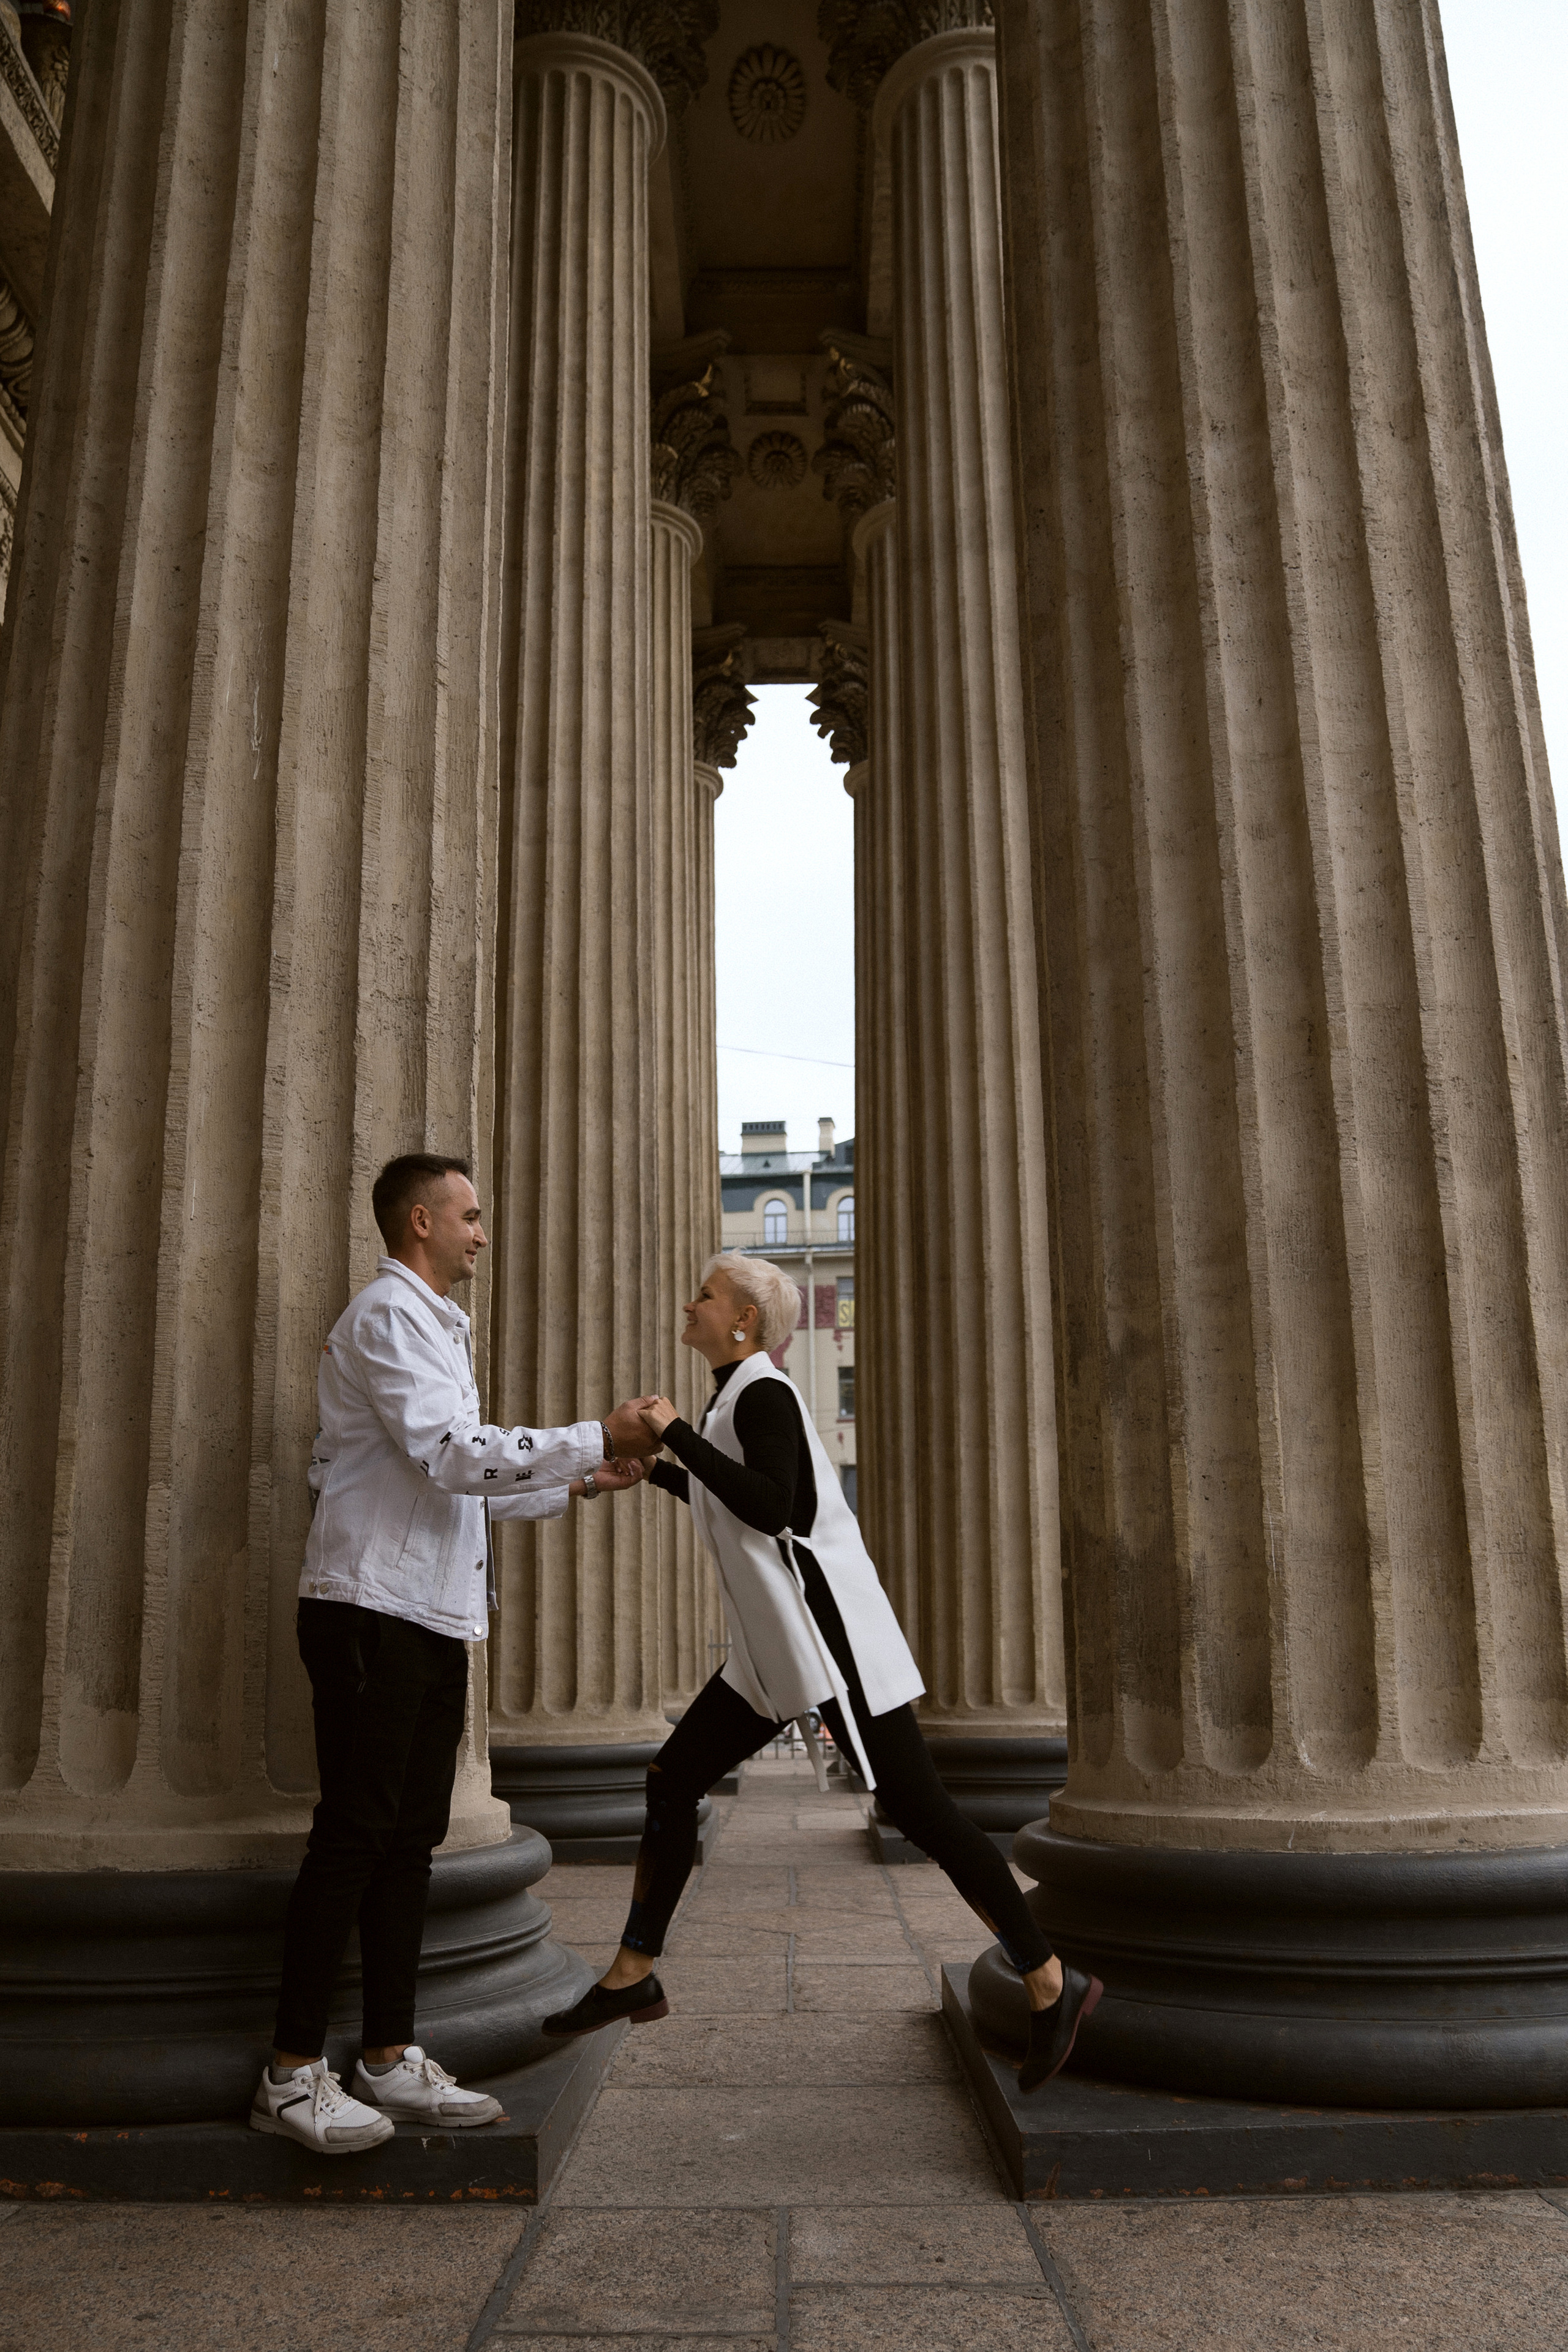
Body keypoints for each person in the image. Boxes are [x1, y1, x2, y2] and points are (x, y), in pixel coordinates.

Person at [538, 1250, 1101, 2093]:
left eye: (705, 1294)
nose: (688, 1304)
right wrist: (658, 1473)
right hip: (775, 1650)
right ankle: (632, 1973)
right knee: (672, 1777)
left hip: (826, 1640)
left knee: (920, 1807)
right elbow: (744, 1513)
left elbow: (778, 1508)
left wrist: (673, 1435)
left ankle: (1052, 1980)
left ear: (744, 1322)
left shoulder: (763, 1391)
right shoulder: (738, 1395)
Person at [251, 1152, 654, 2154]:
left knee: (409, 1842)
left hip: (428, 1616)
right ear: (420, 1223)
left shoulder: (436, 1329)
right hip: (368, 1611)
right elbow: (450, 1454)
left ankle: (387, 2056)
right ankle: (291, 2071)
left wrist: (582, 1480)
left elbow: (457, 1487)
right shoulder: (387, 1317)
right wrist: (587, 1429)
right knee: (354, 1836)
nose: (482, 1231)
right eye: (469, 1216)